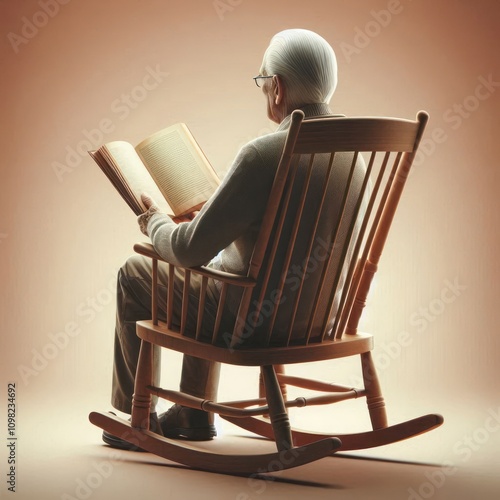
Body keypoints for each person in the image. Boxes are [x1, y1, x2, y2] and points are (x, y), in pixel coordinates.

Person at [103, 28, 356, 450]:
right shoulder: (355, 151)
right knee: (214, 271)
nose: (264, 91)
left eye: (263, 82)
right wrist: (214, 221)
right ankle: (192, 414)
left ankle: (133, 417)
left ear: (277, 88)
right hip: (323, 315)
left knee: (136, 272)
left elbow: (186, 250)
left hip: (255, 322)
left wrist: (155, 221)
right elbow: (284, 236)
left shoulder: (264, 153)